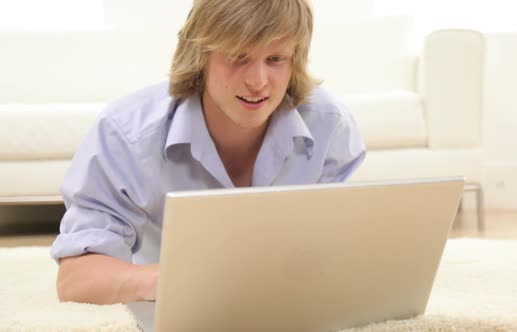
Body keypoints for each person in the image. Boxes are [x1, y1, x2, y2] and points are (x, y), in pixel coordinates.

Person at [50, 0, 365, 305]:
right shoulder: (126, 133)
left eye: (275, 59)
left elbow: (337, 251)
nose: (258, 82)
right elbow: (76, 279)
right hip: (170, 308)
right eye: (239, 56)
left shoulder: (329, 125)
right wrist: (182, 282)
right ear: (200, 55)